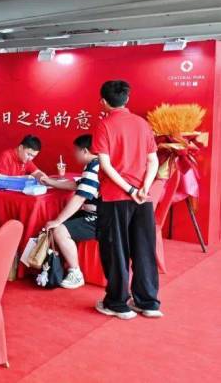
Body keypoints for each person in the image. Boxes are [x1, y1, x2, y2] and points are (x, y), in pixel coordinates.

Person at [92, 80, 161, 319]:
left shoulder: (104, 125)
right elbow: (153, 161)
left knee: (116, 250)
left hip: (115, 197)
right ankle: (148, 303)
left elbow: (105, 165)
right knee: (144, 249)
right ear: (127, 99)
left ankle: (117, 303)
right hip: (143, 198)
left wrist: (130, 189)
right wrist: (143, 188)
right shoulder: (142, 123)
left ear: (103, 102)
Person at [41, 135, 100, 289]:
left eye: (76, 150)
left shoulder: (95, 167)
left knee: (58, 230)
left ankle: (75, 273)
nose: (74, 154)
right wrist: (49, 181)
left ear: (85, 151)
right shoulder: (95, 164)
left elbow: (79, 197)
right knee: (59, 223)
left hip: (100, 218)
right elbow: (75, 185)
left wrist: (58, 221)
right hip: (94, 214)